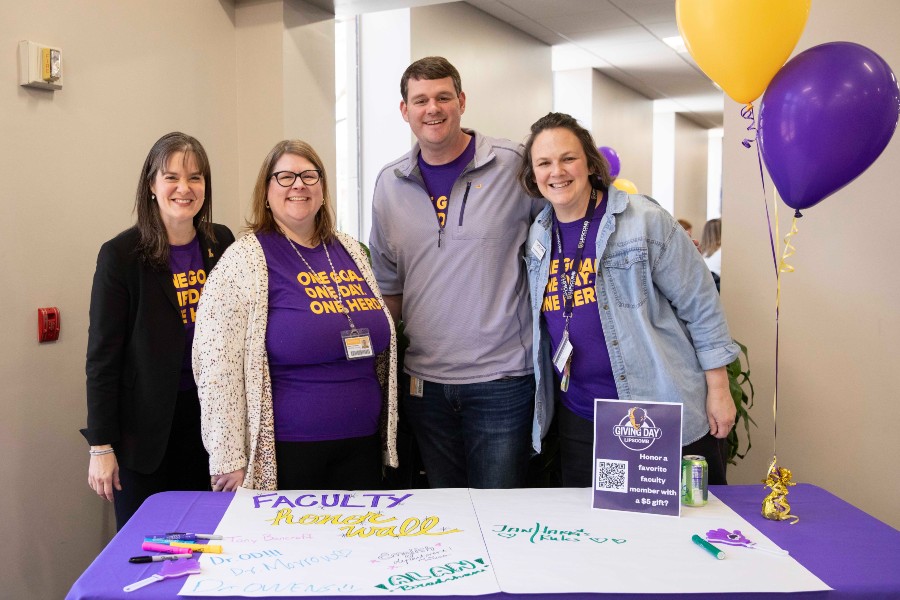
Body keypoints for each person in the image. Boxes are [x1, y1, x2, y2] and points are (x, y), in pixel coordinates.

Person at [518, 113, 738, 486]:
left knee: (686, 526)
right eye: (544, 163)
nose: (557, 171)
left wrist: (719, 391)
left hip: (659, 408)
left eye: (568, 158)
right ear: (534, 175)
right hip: (583, 415)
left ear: (589, 162)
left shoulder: (644, 221)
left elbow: (701, 306)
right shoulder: (538, 236)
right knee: (600, 536)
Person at [369, 56, 546, 489]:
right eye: (421, 99)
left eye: (444, 96)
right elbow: (388, 289)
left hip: (501, 382)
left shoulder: (512, 165)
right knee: (448, 517)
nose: (433, 108)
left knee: (499, 515)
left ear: (462, 101)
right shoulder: (389, 183)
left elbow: (565, 220)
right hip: (424, 386)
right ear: (404, 110)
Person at [194, 140, 398, 491]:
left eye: (308, 175)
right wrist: (228, 458)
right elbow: (216, 365)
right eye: (285, 177)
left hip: (361, 446)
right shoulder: (243, 260)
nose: (298, 185)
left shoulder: (350, 250)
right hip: (289, 452)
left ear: (322, 188)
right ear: (267, 191)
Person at [83, 132, 235, 529]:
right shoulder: (120, 256)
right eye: (171, 177)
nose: (184, 188)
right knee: (147, 546)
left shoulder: (223, 242)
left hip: (210, 426)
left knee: (208, 543)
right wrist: (101, 446)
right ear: (151, 185)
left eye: (195, 178)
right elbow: (103, 358)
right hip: (144, 435)